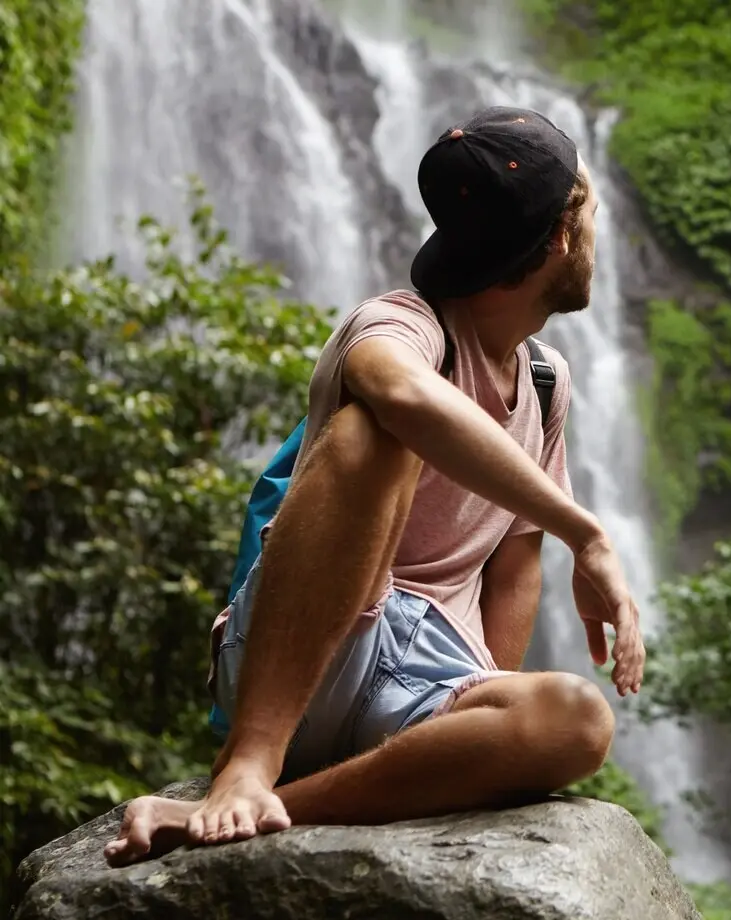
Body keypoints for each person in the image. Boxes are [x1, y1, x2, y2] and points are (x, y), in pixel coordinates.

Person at [103, 106, 645, 867]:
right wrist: (586, 531)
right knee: (374, 436)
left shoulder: (548, 382)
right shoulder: (402, 324)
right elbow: (395, 390)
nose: (596, 232)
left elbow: (516, 563)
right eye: (587, 210)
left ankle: (259, 806)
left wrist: (482, 708)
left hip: (425, 685)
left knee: (577, 720)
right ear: (559, 237)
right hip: (313, 649)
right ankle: (251, 761)